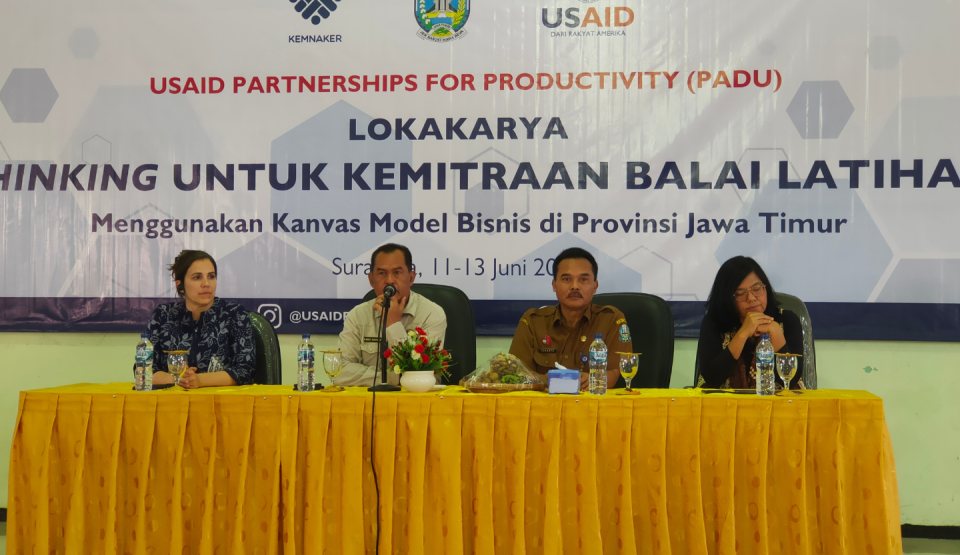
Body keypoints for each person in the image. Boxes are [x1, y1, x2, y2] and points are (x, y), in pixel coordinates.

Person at [509, 247, 632, 390]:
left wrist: (595, 379)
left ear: (595, 286)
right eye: (566, 279)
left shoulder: (611, 320)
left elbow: (615, 371)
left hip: (592, 401)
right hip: (545, 402)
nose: (575, 286)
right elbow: (516, 373)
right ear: (554, 285)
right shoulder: (533, 321)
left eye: (583, 279)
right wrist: (547, 380)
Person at [338, 243, 447, 387]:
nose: (389, 280)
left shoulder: (432, 314)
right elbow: (340, 371)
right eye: (382, 273)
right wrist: (391, 379)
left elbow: (422, 374)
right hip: (370, 400)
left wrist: (393, 323)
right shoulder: (357, 316)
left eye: (397, 272)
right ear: (371, 280)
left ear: (411, 278)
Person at [145, 250, 256, 388]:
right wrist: (179, 379)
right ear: (180, 286)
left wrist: (199, 380)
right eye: (197, 277)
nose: (206, 283)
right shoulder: (162, 315)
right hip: (172, 399)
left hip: (219, 399)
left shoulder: (235, 314)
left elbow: (245, 371)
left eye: (211, 276)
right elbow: (144, 369)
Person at [696, 256, 805, 389]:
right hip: (726, 401)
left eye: (757, 289)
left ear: (766, 288)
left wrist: (776, 332)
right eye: (740, 293)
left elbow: (791, 381)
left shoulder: (787, 320)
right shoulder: (714, 322)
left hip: (776, 401)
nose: (751, 298)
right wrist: (743, 334)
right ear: (727, 298)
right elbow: (712, 379)